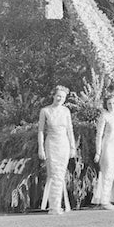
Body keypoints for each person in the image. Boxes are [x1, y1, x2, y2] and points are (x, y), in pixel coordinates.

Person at [38, 85, 76, 215]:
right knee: (54, 174)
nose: (60, 98)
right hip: (51, 145)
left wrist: (72, 147)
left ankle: (57, 205)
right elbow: (41, 131)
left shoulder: (66, 111)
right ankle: (54, 206)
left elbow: (70, 130)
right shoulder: (45, 111)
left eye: (63, 97)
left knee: (60, 174)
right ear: (53, 95)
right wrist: (41, 148)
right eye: (58, 96)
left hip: (64, 145)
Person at [92, 93, 114, 211]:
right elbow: (99, 135)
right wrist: (98, 152)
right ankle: (104, 201)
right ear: (106, 105)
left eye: (113, 103)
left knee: (112, 174)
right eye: (109, 103)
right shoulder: (104, 116)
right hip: (107, 147)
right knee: (106, 174)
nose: (112, 105)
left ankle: (106, 199)